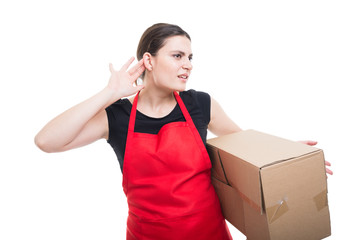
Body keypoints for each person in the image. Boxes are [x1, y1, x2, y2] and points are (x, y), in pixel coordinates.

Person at [35, 23, 332, 240]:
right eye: (177, 56)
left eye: (190, 58)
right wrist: (109, 93)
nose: (188, 65)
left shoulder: (200, 104)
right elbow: (46, 141)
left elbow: (246, 149)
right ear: (148, 61)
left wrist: (289, 153)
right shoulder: (117, 116)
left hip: (210, 234)